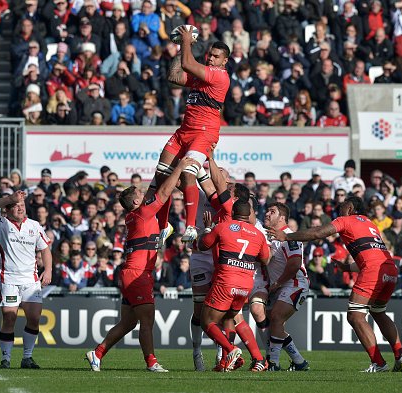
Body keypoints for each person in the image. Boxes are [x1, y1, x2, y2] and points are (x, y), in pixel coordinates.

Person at [268, 196, 402, 373]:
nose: (338, 210)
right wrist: (348, 267)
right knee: (379, 313)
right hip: (389, 269)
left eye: (341, 206)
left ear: (349, 208)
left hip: (373, 271)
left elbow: (318, 233)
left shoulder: (346, 220)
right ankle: (400, 355)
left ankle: (378, 363)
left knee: (355, 316)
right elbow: (371, 253)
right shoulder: (370, 223)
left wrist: (287, 236)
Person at [85, 157, 195, 373]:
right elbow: (162, 195)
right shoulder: (143, 214)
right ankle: (151, 363)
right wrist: (180, 167)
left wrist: (165, 176)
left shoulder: (140, 215)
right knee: (147, 321)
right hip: (138, 274)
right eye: (140, 194)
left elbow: (164, 198)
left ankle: (97, 353)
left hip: (133, 273)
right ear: (136, 202)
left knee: (127, 323)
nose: (144, 194)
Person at [155, 26, 231, 245]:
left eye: (216, 57)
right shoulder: (202, 75)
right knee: (162, 176)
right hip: (184, 131)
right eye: (210, 56)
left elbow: (188, 64)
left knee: (188, 174)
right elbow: (174, 75)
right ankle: (165, 226)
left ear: (224, 61)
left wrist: (186, 40)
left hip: (204, 133)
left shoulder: (219, 76)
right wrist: (181, 48)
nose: (211, 59)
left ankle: (191, 226)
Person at [197, 200, 270, 372]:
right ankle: (227, 362)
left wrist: (208, 228)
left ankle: (231, 350)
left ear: (233, 212)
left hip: (226, 281)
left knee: (206, 321)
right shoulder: (258, 234)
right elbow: (266, 259)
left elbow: (203, 245)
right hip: (245, 285)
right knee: (230, 318)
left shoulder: (223, 226)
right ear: (248, 214)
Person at [0, 190, 52, 369]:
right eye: (16, 206)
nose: (20, 209)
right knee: (9, 317)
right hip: (9, 280)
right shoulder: (1, 224)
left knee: (34, 317)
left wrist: (49, 270)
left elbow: (45, 249)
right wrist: (9, 199)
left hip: (31, 280)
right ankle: (5, 359)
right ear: (7, 210)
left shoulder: (35, 226)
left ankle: (27, 358)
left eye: (22, 206)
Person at [263, 202, 310, 371]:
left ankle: (273, 363)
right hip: (279, 285)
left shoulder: (290, 236)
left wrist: (277, 283)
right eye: (267, 211)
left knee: (276, 318)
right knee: (274, 325)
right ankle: (299, 362)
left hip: (295, 283)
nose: (267, 214)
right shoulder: (268, 236)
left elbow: (295, 264)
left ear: (282, 218)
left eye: (272, 211)